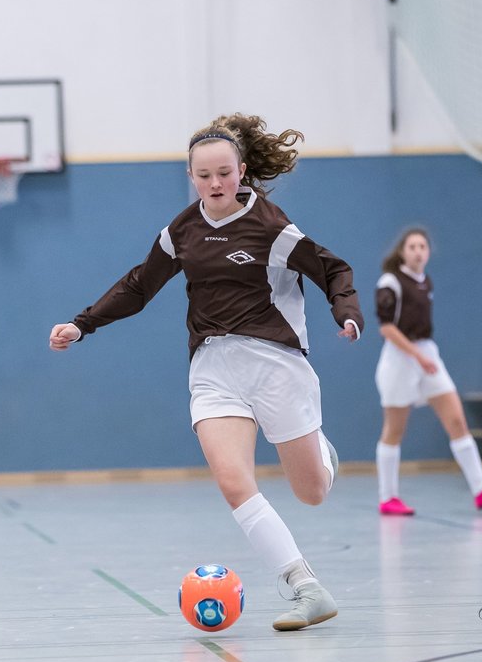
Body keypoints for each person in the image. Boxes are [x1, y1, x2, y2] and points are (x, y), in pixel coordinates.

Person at [49, 113, 363, 632]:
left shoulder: (272, 227)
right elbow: (138, 285)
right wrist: (82, 326)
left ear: (241, 171)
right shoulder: (182, 230)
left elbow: (334, 270)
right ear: (191, 176)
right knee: (232, 481)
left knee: (311, 492)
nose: (214, 184)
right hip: (213, 368)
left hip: (276, 365)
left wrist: (346, 311)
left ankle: (322, 454)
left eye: (224, 173)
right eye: (203, 175)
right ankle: (306, 587)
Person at [373, 227, 482, 515]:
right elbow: (386, 328)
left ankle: (481, 489)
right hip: (400, 359)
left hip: (428, 354)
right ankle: (388, 498)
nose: (418, 251)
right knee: (394, 429)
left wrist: (424, 357)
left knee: (457, 420)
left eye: (423, 246)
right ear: (403, 251)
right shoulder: (390, 282)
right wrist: (416, 356)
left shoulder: (426, 281)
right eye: (412, 246)